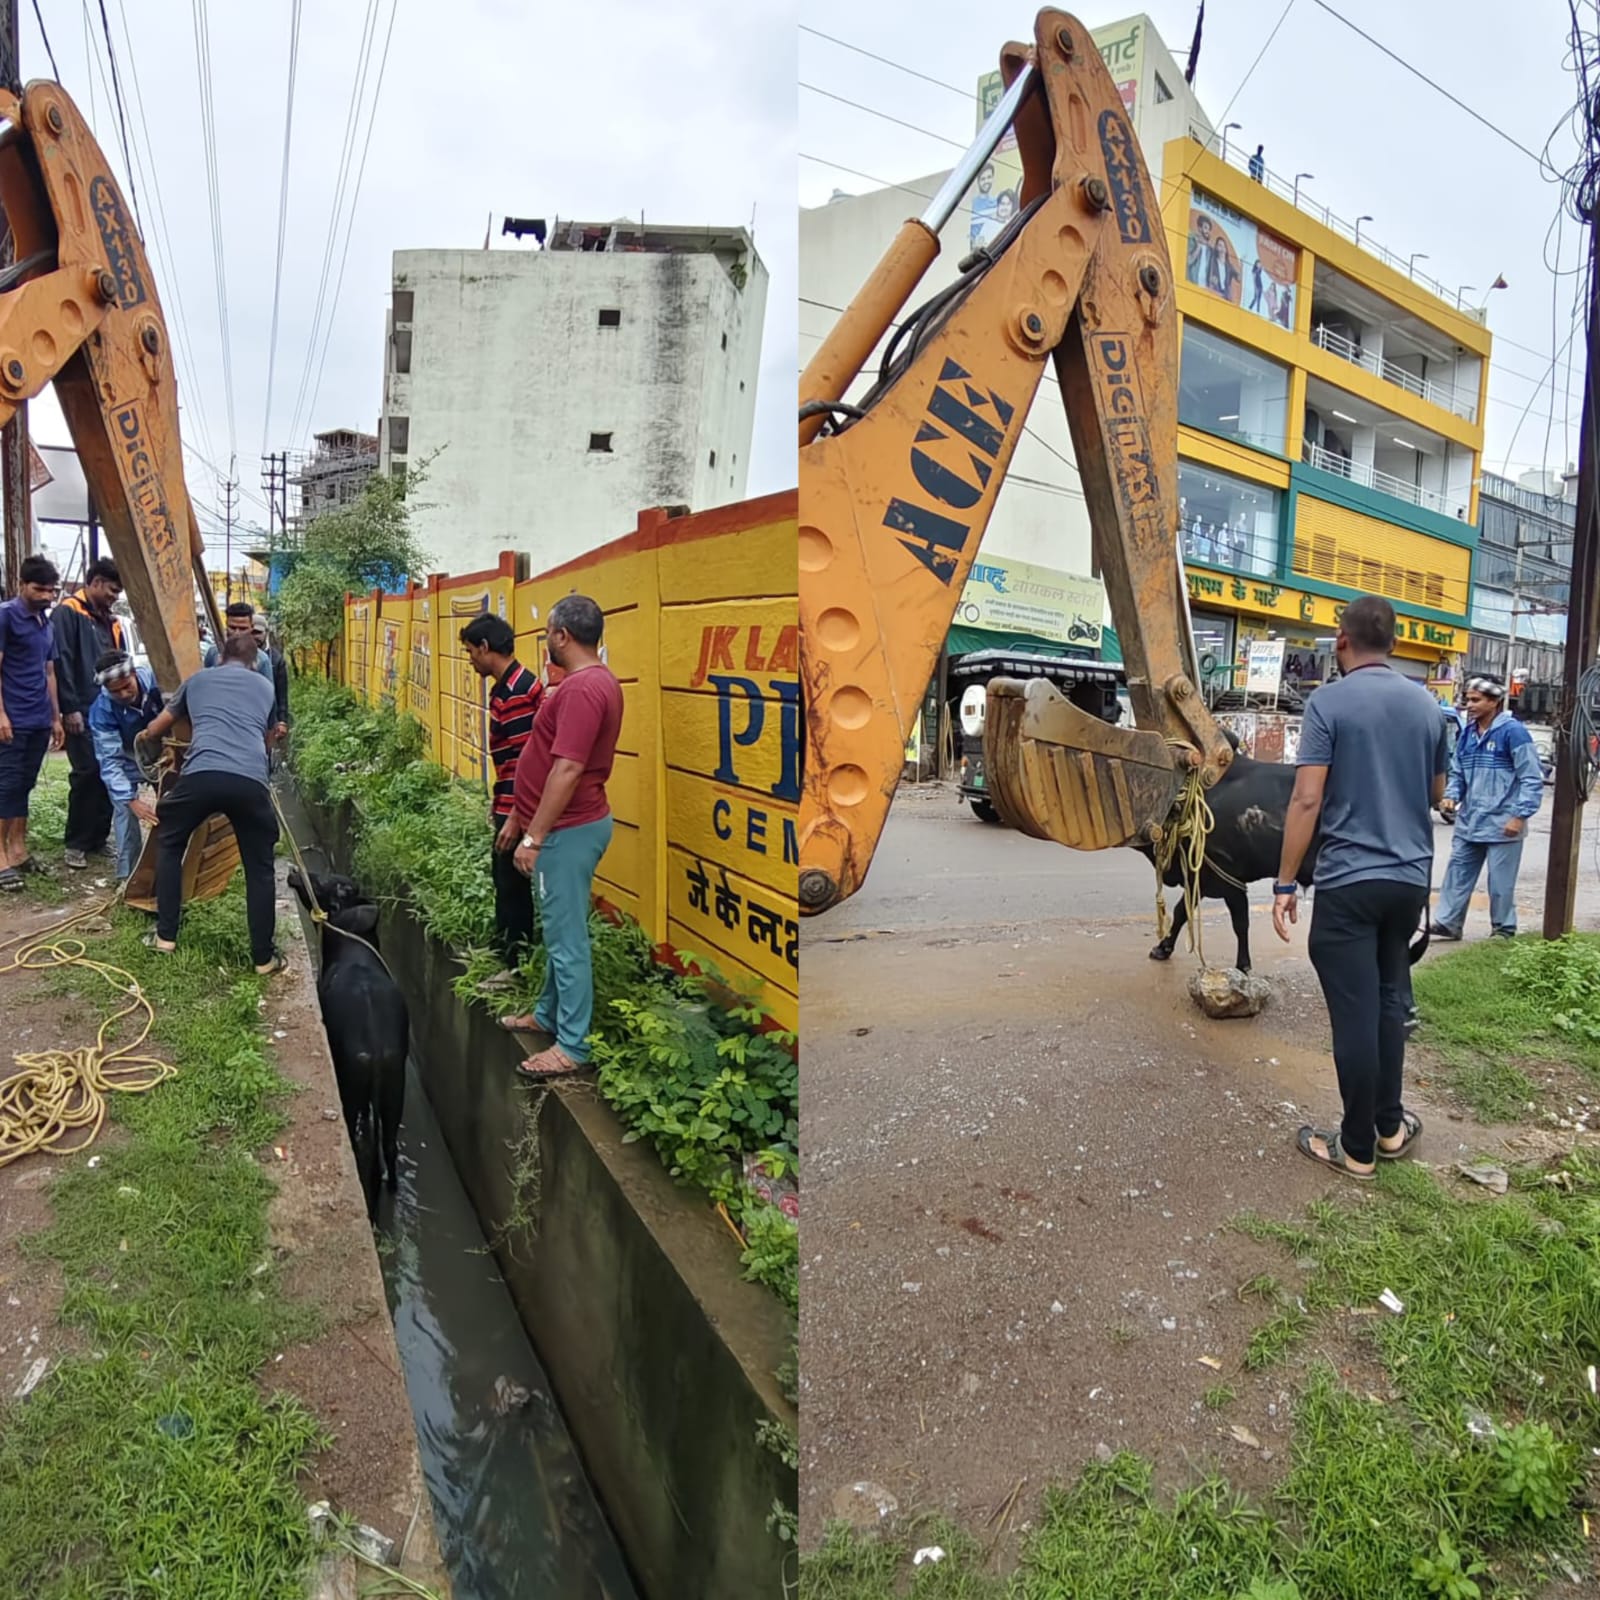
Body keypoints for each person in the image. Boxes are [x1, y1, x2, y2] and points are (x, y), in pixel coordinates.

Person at [1272, 595, 1450, 1180]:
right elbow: (1433, 793)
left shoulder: (1329, 702)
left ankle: (1355, 1149)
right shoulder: (1428, 707)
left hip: (1350, 883)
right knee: (1389, 1005)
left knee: (1356, 1015)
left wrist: (1286, 881)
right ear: (1395, 645)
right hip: (1408, 884)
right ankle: (1391, 1129)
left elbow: (1306, 798)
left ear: (1342, 641)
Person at [497, 594, 623, 1079]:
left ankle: (573, 1045)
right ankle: (547, 1015)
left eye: (547, 632)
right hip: (564, 828)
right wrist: (520, 817)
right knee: (558, 930)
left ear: (562, 636)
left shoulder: (583, 690)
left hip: (566, 833)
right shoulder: (589, 684)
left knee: (567, 939)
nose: (546, 640)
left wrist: (535, 837)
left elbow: (567, 768)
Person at [136, 630, 284, 974]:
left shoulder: (198, 680)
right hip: (250, 781)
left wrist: (145, 738)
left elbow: (158, 727)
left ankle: (165, 937)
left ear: (219, 658)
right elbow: (267, 741)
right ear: (254, 663)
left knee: (171, 843)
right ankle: (263, 958)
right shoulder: (266, 687)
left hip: (201, 775)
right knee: (260, 869)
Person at [1429, 675, 1544, 941]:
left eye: (1475, 700)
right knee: (1457, 874)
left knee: (1500, 883)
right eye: (1468, 699)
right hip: (1470, 821)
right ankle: (1448, 923)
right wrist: (1451, 795)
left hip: (1504, 824)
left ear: (1494, 702)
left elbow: (1530, 777)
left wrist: (1519, 816)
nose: (1469, 704)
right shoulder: (1468, 733)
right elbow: (1458, 772)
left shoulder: (1513, 733)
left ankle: (1503, 930)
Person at [459, 611, 543, 969]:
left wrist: (514, 816)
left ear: (485, 647)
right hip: (513, 802)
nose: (470, 659)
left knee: (511, 887)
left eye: (470, 652)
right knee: (505, 881)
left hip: (520, 807)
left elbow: (527, 761)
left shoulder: (517, 693)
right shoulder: (512, 686)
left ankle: (515, 965)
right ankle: (506, 955)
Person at [51, 556, 126, 869]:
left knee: (109, 771)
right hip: (81, 707)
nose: (113, 597)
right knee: (86, 773)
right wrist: (69, 708)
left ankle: (97, 838)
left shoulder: (109, 620)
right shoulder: (68, 613)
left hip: (108, 710)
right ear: (95, 583)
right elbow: (61, 662)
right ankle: (77, 843)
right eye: (110, 590)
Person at [0, 554, 65, 891]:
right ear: (22, 585)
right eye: (39, 589)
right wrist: (1, 714)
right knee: (5, 784)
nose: (46, 596)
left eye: (51, 591)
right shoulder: (6, 616)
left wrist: (55, 717)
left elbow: (49, 671)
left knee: (24, 785)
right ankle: (1, 857)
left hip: (39, 718)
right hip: (13, 718)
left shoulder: (46, 623)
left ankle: (18, 849)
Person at [86, 648, 164, 882]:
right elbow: (109, 761)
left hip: (163, 750)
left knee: (175, 804)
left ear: (134, 674)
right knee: (124, 813)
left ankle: (175, 867)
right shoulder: (102, 710)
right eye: (115, 691)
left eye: (126, 686)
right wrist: (131, 799)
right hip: (126, 757)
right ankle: (128, 879)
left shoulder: (156, 680)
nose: (122, 693)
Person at [252, 617, 291, 740]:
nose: (254, 637)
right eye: (251, 632)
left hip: (268, 718)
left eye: (258, 633)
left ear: (266, 633)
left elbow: (281, 693)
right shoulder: (239, 657)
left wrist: (282, 721)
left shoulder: (276, 659)